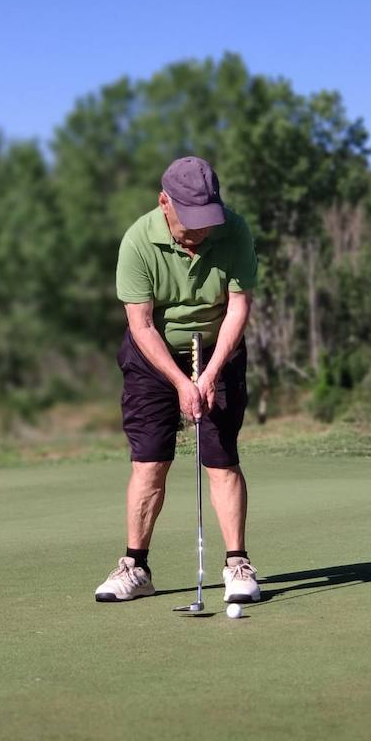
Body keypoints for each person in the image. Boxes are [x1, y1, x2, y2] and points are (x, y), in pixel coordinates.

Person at [95, 156, 261, 605]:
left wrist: (210, 373)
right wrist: (182, 383)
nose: (201, 230)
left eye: (208, 218)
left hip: (217, 348)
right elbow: (142, 324)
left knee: (220, 457)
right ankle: (135, 567)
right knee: (149, 460)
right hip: (153, 354)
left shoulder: (235, 231)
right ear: (163, 202)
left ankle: (237, 564)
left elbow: (238, 307)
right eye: (191, 219)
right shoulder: (138, 241)